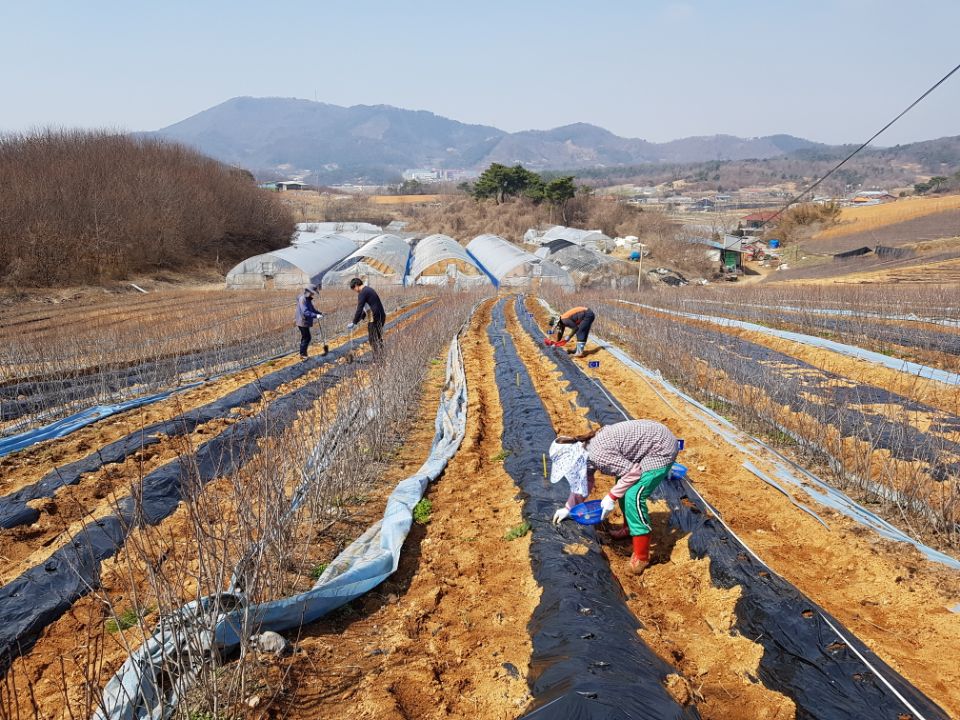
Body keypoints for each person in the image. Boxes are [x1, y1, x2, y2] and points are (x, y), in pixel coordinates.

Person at [549, 420, 678, 574]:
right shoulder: (585, 453)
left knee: (633, 494)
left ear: (573, 458)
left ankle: (642, 556)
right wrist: (568, 508)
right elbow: (585, 483)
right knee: (622, 485)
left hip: (660, 448)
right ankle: (629, 528)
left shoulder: (598, 455)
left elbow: (634, 473)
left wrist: (611, 497)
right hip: (648, 444)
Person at [348, 278, 386, 356]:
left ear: (356, 285)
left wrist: (354, 322)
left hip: (374, 318)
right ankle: (381, 358)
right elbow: (367, 308)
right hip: (381, 316)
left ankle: (378, 360)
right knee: (378, 338)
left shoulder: (362, 293)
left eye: (354, 289)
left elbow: (360, 308)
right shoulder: (368, 290)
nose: (355, 291)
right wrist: (360, 318)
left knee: (373, 339)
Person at [295, 286, 323, 360]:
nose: (313, 295)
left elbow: (312, 309)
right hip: (302, 321)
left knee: (305, 337)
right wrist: (315, 315)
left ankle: (303, 353)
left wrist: (320, 313)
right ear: (308, 292)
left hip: (305, 321)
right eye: (312, 293)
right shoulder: (303, 299)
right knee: (307, 337)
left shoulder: (308, 299)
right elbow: (305, 311)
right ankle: (302, 354)